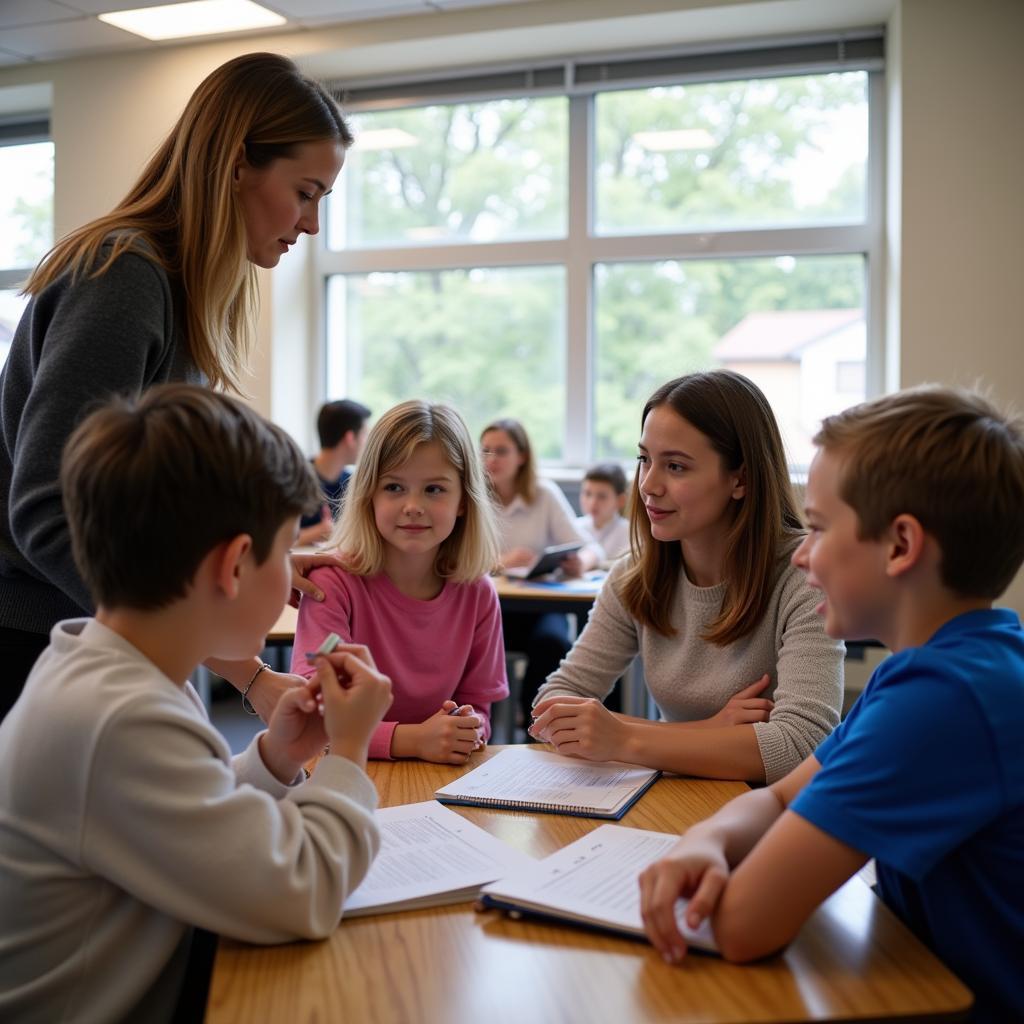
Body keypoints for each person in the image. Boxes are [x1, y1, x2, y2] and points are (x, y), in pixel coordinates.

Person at [0, 384, 394, 1023]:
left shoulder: (118, 671)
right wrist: (348, 753)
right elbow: (306, 891)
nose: (295, 579)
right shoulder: (120, 718)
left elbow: (186, 813)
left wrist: (276, 757)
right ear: (234, 565)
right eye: (286, 551)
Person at [638, 386, 1024, 1023]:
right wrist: (702, 842)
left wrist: (708, 857)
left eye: (817, 527)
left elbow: (742, 926)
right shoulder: (942, 665)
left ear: (900, 546)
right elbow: (782, 795)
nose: (800, 554)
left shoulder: (942, 702)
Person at [0, 51, 353, 722]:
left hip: (88, 639)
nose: (311, 224)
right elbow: (50, 512)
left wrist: (259, 568)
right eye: (305, 193)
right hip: (36, 641)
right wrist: (229, 658)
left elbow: (146, 519)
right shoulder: (124, 277)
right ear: (237, 165)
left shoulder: (174, 290)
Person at [530, 371, 844, 783]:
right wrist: (703, 732)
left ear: (741, 479)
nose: (648, 486)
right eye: (645, 459)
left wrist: (624, 738)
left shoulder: (803, 576)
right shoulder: (634, 575)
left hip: (768, 815)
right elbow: (551, 705)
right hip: (674, 796)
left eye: (675, 466)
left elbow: (800, 747)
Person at [292, 400, 508, 764]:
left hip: (439, 778)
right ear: (369, 495)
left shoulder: (477, 591)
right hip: (341, 773)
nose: (413, 506)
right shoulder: (332, 583)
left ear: (462, 502)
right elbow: (315, 713)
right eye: (394, 487)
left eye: (434, 490)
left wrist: (467, 728)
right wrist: (413, 740)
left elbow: (479, 707)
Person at [480, 417, 600, 725]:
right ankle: (484, 726)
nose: (492, 459)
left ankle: (536, 724)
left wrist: (580, 563)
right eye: (486, 451)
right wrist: (502, 561)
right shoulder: (472, 497)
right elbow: (452, 558)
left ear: (522, 456)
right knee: (473, 645)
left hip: (539, 606)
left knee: (553, 644)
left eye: (502, 451)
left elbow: (591, 548)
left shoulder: (544, 494)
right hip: (490, 606)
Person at [298, 398, 372, 545]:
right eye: (365, 434)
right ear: (350, 438)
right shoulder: (294, 480)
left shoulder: (353, 483)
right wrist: (316, 533)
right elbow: (266, 542)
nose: (368, 443)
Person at [576, 461, 630, 565]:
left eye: (602, 496)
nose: (593, 503)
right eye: (587, 494)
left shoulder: (629, 533)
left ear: (620, 500)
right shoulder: (575, 527)